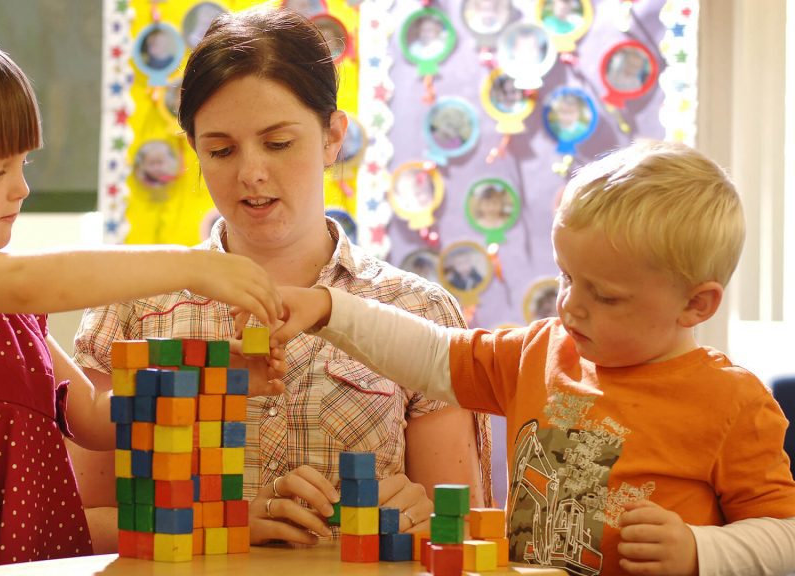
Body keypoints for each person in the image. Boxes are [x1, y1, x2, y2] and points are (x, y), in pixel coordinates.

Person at [0, 5, 281, 573]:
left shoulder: (13, 310)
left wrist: (217, 378)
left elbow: (91, 414)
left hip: (31, 548)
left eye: (23, 164)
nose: (21, 188)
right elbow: (27, 283)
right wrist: (190, 264)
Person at [71, 7, 492, 553]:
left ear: (332, 136)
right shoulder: (131, 307)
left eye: (277, 143)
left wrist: (427, 519)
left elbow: (468, 529)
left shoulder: (418, 311)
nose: (250, 173)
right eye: (220, 150)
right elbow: (79, 525)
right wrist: (219, 526)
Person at [267, 140, 795, 575]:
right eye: (567, 277)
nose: (571, 305)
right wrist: (329, 308)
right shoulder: (541, 350)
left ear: (695, 304)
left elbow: (785, 536)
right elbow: (431, 352)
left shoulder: (732, 402)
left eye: (605, 295)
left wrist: (700, 550)